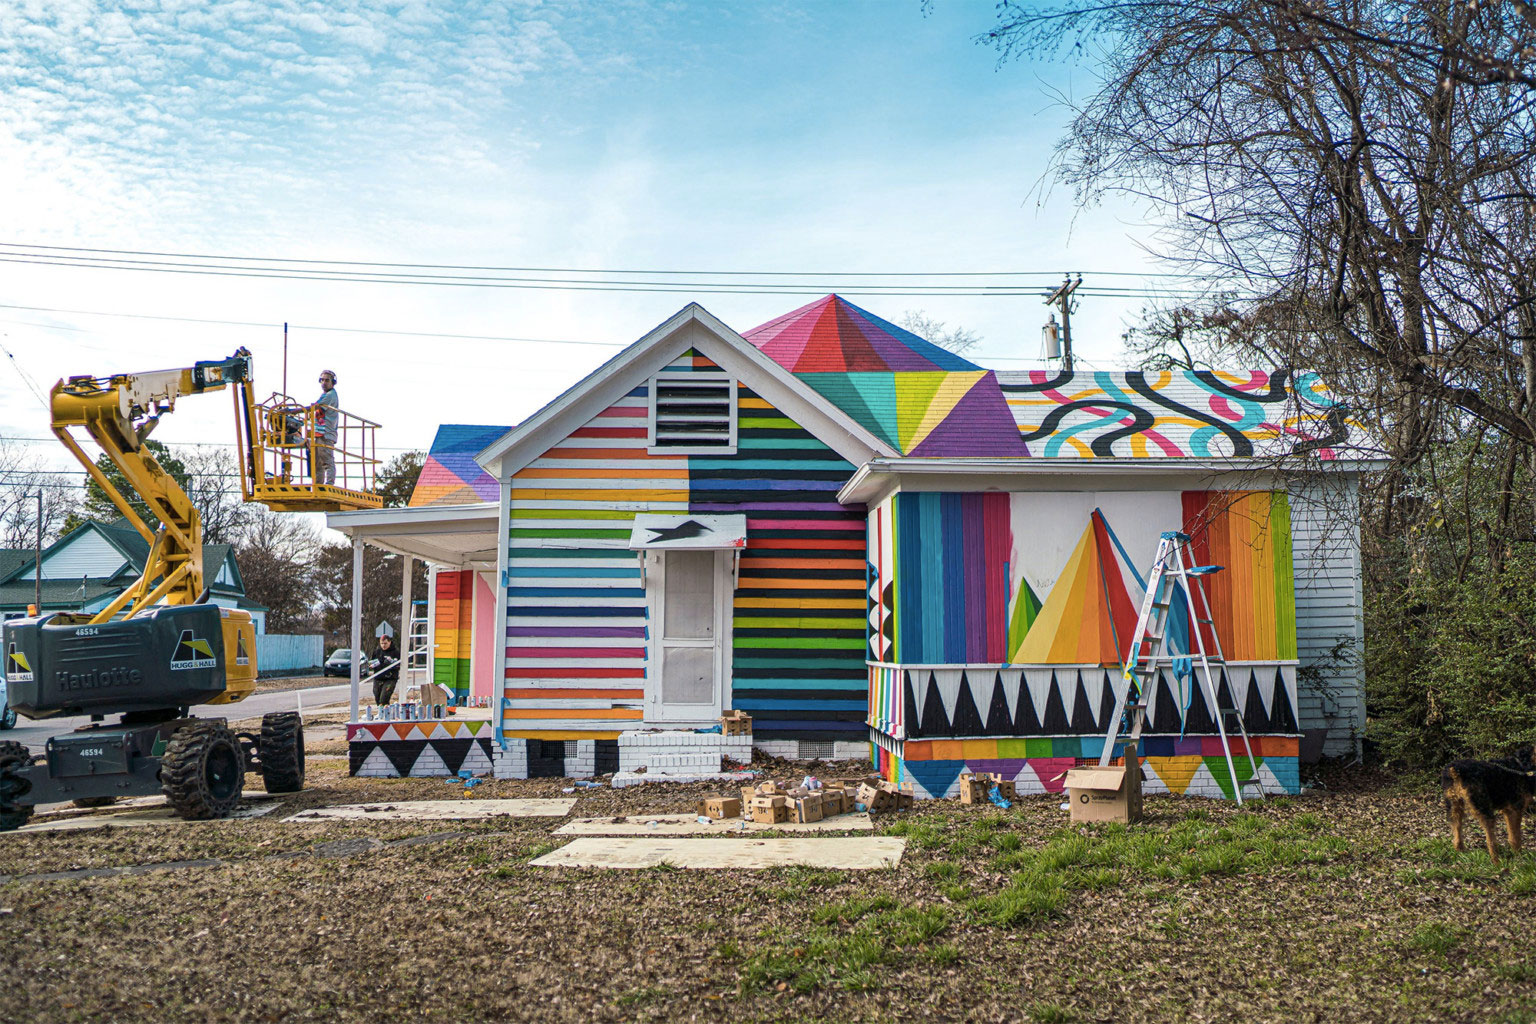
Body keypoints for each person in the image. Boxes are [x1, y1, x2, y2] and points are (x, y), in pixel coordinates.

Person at [312, 369, 339, 485]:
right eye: (322, 380)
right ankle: (318, 485)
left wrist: (293, 411)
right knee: (318, 462)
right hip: (320, 432)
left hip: (326, 433)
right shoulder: (324, 395)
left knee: (327, 460)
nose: (324, 382)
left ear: (332, 382)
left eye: (327, 380)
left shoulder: (330, 395)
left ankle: (329, 484)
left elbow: (315, 407)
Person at [369, 633, 401, 706]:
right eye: (382, 643)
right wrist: (371, 665)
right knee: (377, 696)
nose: (383, 645)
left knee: (384, 698)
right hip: (378, 677)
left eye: (385, 643)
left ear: (389, 642)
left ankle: (385, 711)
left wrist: (391, 664)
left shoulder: (395, 652)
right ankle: (381, 711)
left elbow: (398, 665)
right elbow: (371, 663)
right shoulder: (377, 651)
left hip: (390, 678)